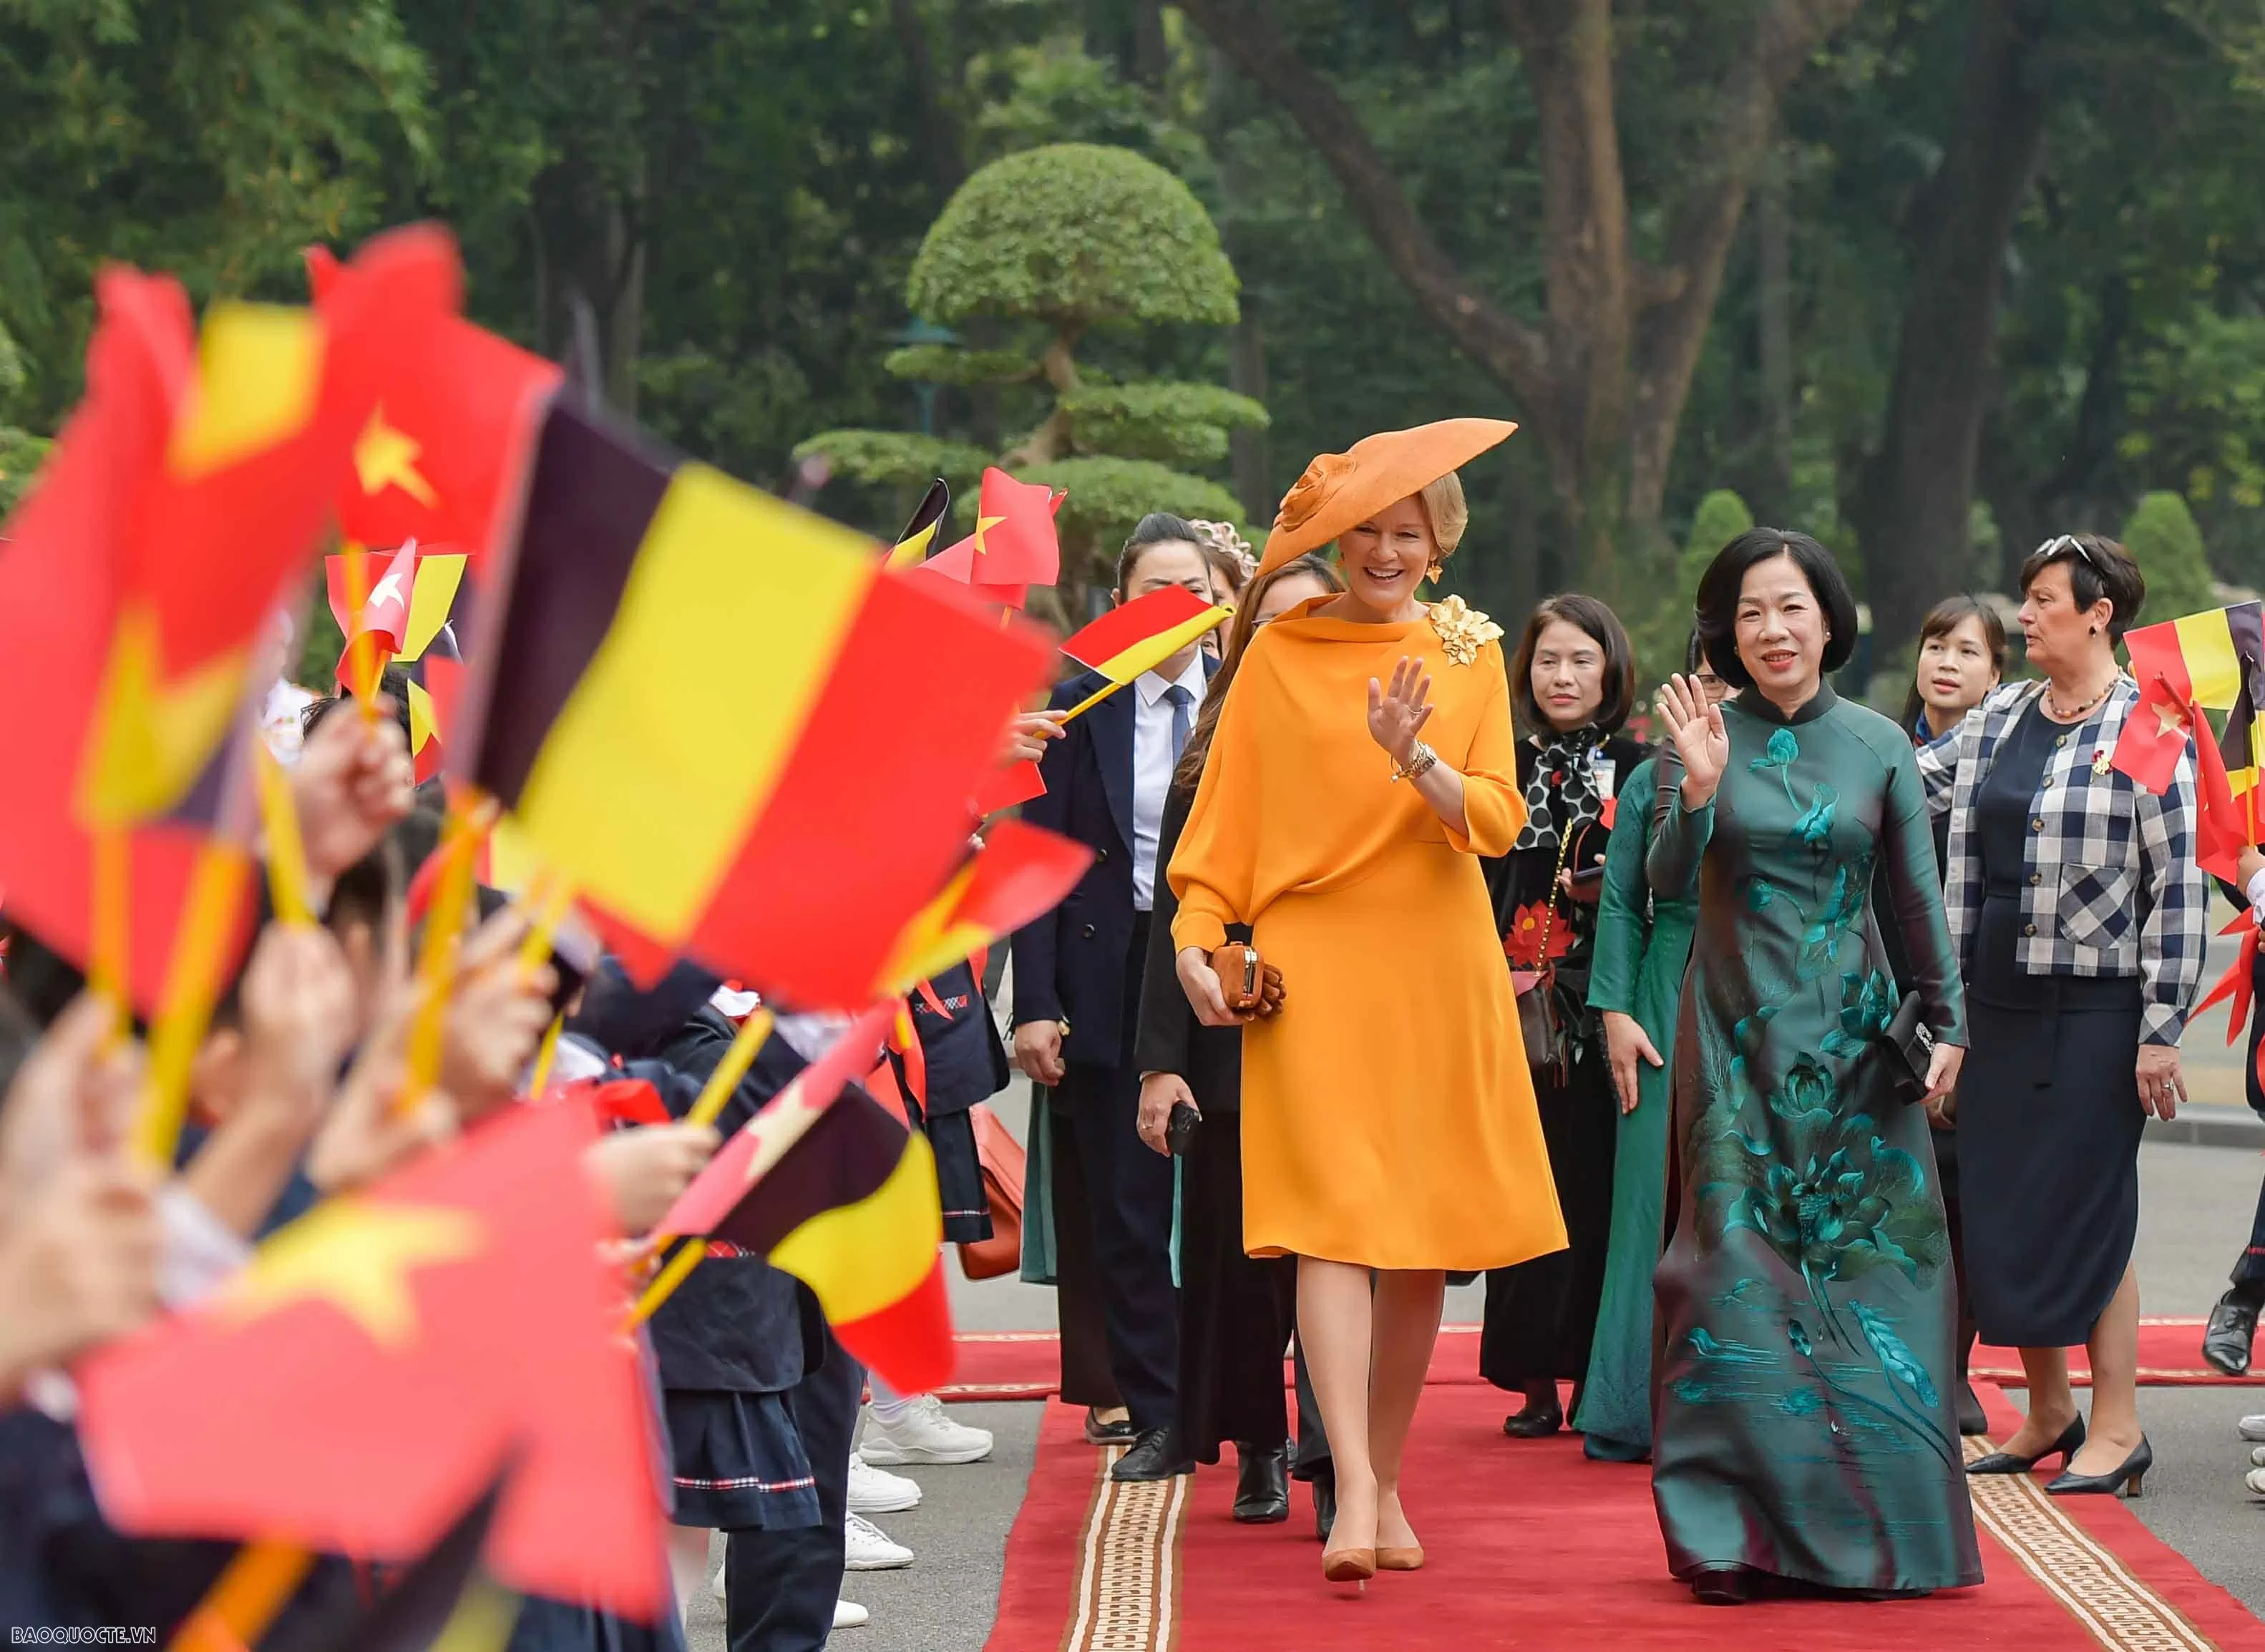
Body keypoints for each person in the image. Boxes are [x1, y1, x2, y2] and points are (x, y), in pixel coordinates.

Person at [1166, 419, 1564, 1588]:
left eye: (1409, 531)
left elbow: (1494, 817)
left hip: (1437, 962)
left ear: (1439, 544)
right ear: (1336, 540)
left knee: (1419, 1245)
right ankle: (1343, 1477)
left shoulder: (1469, 649)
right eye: (1367, 531)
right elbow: (1217, 838)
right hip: (1313, 970)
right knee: (1328, 1222)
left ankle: (1383, 1481)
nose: (1386, 550)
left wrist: (1416, 757)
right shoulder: (1281, 653)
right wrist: (1199, 938)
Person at [1650, 527, 1974, 1604]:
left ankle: (1885, 1534)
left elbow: (1916, 903)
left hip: (1855, 1053)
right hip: (1733, 1051)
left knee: (1877, 1279)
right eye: (1748, 613)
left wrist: (1951, 1025)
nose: (1771, 630)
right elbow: (1658, 886)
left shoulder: (1880, 743)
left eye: (1789, 607)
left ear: (1827, 618)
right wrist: (1696, 795)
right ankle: (1728, 1536)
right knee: (1730, 1283)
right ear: (1725, 632)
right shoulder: (1699, 736)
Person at [1926, 532, 2203, 1499]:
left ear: (2100, 614)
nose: (2027, 614)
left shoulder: (2148, 729)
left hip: (2096, 1010)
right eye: (2027, 597)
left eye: (2046, 599)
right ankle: (2048, 1411)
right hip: (1994, 1001)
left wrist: (2161, 1027)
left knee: (2089, 1210)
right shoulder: (1999, 715)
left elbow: (2175, 889)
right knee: (2004, 1204)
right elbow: (1926, 803)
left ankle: (2119, 1425)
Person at [1134, 552, 1342, 1533]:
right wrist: (1161, 1061)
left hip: (1350, 1026)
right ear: (1243, 635)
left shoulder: (1376, 745)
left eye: (1318, 619)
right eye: (1276, 621)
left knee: (1344, 1250)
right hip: (1232, 1031)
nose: (1296, 639)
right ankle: (1260, 1443)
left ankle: (1341, 1452)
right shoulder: (1205, 760)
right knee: (1240, 1253)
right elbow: (1171, 917)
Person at [1012, 512, 1219, 1480]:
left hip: (1221, 964)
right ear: (1120, 604)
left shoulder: (1250, 695)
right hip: (1111, 966)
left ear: (1217, 601)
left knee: (1235, 1199)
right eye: (1150, 591)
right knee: (1128, 1211)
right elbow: (1039, 858)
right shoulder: (1076, 707)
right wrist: (1035, 1001)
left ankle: (1246, 1413)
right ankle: (1158, 1411)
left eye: (1190, 590)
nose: (1170, 608)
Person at [1480, 595, 1647, 1438]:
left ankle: (1598, 1369)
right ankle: (1532, 1374)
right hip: (1515, 1000)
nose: (1563, 676)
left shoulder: (1640, 764)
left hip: (1609, 1002)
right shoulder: (1499, 765)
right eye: (1548, 660)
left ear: (1612, 668)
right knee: (1524, 1181)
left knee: (1602, 1187)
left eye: (1582, 659)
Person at [1574, 635, 1725, 1463]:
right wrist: (1615, 1010)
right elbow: (1624, 902)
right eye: (1707, 676)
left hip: (1763, 982)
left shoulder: (1801, 764)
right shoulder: (1653, 775)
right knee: (1646, 1200)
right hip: (1663, 986)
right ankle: (1631, 1404)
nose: (1717, 693)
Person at [1887, 595, 2006, 1435]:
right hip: (1878, 985)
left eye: (1968, 650)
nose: (1948, 661)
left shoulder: (2001, 769)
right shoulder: (1883, 752)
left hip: (1963, 995)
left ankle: (1953, 1365)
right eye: (1936, 644)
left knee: (1957, 1188)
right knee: (1886, 1183)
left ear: (1998, 674)